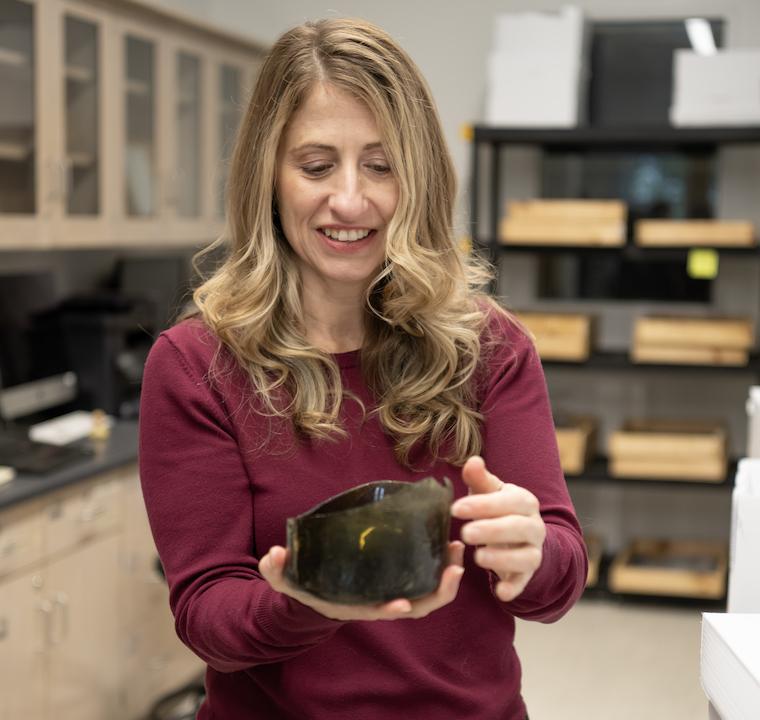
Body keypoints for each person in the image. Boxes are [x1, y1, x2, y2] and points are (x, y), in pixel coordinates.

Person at [139, 17, 588, 720]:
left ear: (420, 176)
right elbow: (206, 614)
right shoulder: (198, 365)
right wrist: (305, 600)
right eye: (316, 165)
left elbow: (557, 579)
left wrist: (535, 550)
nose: (350, 200)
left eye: (381, 165)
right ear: (270, 177)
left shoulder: (489, 347)